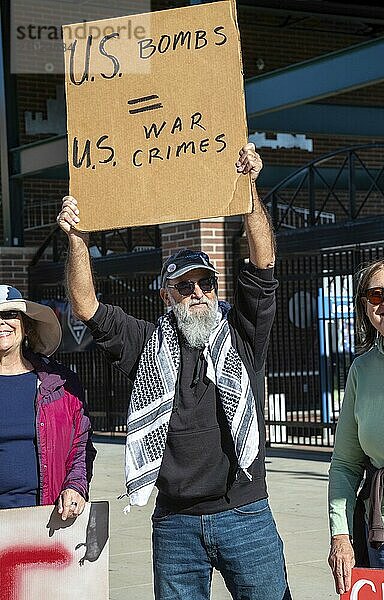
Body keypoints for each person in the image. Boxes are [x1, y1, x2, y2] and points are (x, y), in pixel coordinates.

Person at [57, 143, 290, 600]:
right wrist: (77, 238)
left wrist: (250, 188)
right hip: (175, 524)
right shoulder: (146, 344)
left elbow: (263, 266)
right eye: (185, 287)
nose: (199, 293)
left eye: (206, 283)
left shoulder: (242, 336)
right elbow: (86, 306)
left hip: (245, 513)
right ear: (167, 297)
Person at [328, 257, 384, 595]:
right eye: (376, 296)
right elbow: (345, 463)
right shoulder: (362, 369)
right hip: (383, 534)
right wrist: (340, 535)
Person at [0, 284, 95, 519]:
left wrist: (75, 485)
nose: (2, 322)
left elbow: (80, 445)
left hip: (44, 517)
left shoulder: (59, 383)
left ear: (26, 325)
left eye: (10, 314)